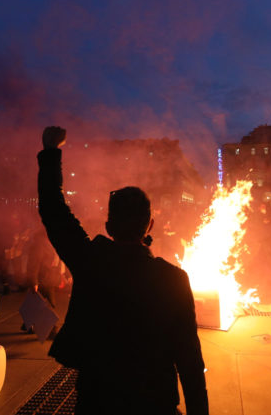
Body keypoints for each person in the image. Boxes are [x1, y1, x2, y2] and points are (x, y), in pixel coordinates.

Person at [37, 126, 209, 415]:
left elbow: (54, 211)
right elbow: (191, 362)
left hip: (98, 401)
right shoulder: (173, 279)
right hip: (156, 405)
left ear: (108, 227)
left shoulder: (91, 262)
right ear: (149, 226)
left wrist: (51, 151)